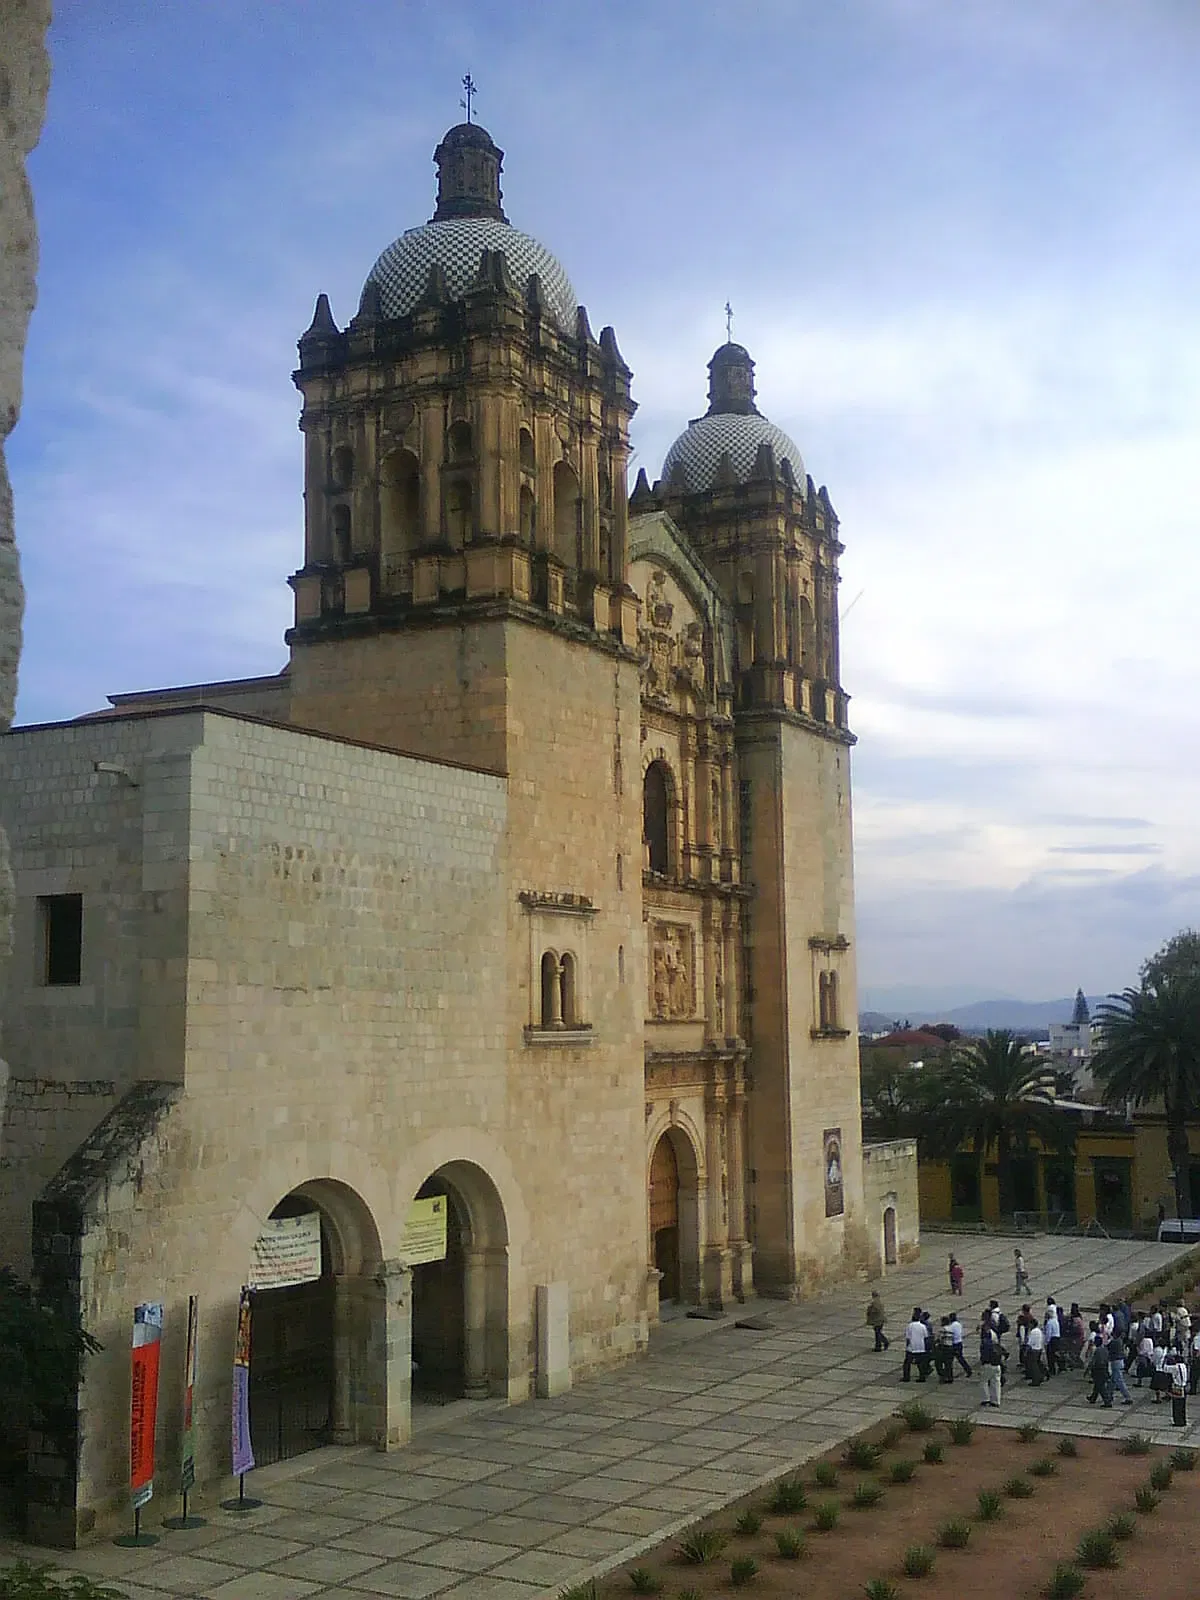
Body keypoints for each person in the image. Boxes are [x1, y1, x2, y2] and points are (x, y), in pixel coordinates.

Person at [979, 1314, 1002, 1408]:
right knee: (996, 1382)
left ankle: (985, 1399)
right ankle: (996, 1401)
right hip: (997, 1364)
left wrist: (983, 1362)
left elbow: (984, 1355)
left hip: (988, 1364)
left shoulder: (985, 1344)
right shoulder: (994, 1343)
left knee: (984, 1381)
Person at [1087, 1327, 1113, 1407]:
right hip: (1104, 1368)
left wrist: (1089, 1369)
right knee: (1097, 1385)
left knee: (1100, 1386)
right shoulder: (1105, 1349)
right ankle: (1093, 1398)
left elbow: (1093, 1361)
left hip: (1098, 1369)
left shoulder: (1097, 1350)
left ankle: (1107, 1401)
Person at [903, 1307, 931, 1382]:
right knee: (920, 1364)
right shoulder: (923, 1326)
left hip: (911, 1347)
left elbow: (908, 1338)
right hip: (921, 1347)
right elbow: (926, 1337)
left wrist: (907, 1346)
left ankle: (906, 1377)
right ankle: (922, 1377)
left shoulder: (910, 1326)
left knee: (907, 1363)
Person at [1107, 1329, 1134, 1405]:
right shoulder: (1119, 1341)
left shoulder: (1115, 1342)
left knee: (1119, 1380)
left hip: (1116, 1361)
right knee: (1113, 1380)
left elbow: (1108, 1347)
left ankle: (1128, 1397)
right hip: (1118, 1361)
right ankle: (1109, 1395)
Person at [1170, 1346, 1190, 1427]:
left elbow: (1165, 1368)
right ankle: (1183, 1420)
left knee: (1176, 1405)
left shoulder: (1176, 1367)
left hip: (1178, 1387)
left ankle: (1177, 1421)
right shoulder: (1184, 1366)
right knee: (1182, 1405)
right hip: (1184, 1386)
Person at [949, 1311, 972, 1377]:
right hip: (959, 1342)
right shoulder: (959, 1324)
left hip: (954, 1344)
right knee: (960, 1358)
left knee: (950, 1360)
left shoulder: (951, 1326)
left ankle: (949, 1374)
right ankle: (968, 1370)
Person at [1044, 1299, 1062, 1377]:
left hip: (1052, 1339)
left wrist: (1046, 1343)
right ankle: (1061, 1365)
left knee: (1050, 1355)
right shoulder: (1055, 1321)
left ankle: (1052, 1370)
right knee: (1056, 1353)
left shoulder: (1049, 1323)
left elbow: (1048, 1334)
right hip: (1057, 1337)